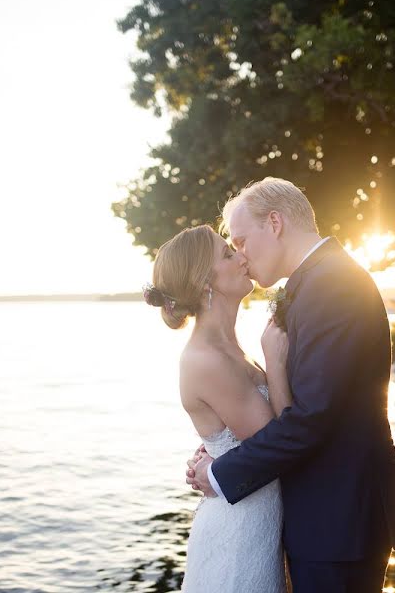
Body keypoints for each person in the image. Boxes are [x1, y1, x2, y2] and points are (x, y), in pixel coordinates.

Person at [185, 177, 395, 592]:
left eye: (241, 240)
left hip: (340, 517)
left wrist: (220, 473)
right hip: (330, 515)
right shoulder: (316, 282)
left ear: (274, 223)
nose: (241, 255)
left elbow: (312, 417)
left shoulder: (331, 285)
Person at [145, 223, 290, 592]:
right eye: (227, 254)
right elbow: (278, 444)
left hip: (257, 525)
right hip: (237, 540)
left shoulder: (229, 350)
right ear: (204, 284)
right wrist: (276, 363)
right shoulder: (204, 359)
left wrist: (214, 461)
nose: (241, 256)